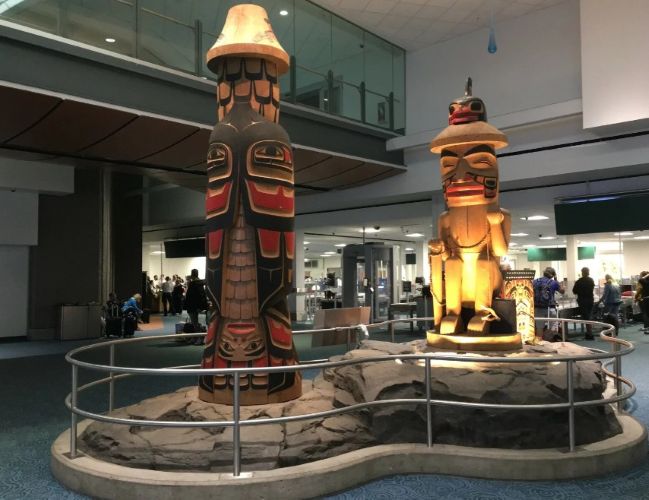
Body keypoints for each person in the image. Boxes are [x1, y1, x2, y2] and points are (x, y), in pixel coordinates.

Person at [533, 267, 565, 340]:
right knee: (553, 327)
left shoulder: (535, 281)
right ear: (553, 275)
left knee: (539, 327)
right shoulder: (553, 282)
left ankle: (540, 342)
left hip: (538, 308)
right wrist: (556, 279)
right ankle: (550, 341)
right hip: (550, 308)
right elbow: (562, 291)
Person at [573, 267, 595, 340]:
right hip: (590, 300)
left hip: (582, 301)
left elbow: (574, 291)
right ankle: (589, 332)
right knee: (589, 316)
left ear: (582, 272)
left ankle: (590, 333)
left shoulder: (579, 281)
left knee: (586, 317)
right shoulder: (591, 280)